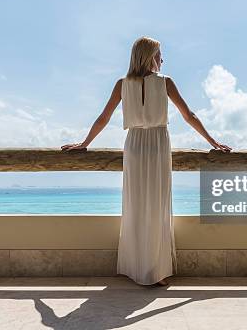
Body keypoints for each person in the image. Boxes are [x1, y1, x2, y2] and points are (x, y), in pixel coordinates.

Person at [61, 36, 231, 286]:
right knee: (157, 208)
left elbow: (103, 117)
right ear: (151, 56)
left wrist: (85, 143)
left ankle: (134, 267)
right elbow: (189, 115)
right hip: (158, 144)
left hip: (134, 145)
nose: (163, 58)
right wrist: (213, 142)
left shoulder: (122, 83)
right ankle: (155, 271)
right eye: (160, 54)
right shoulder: (166, 82)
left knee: (136, 206)